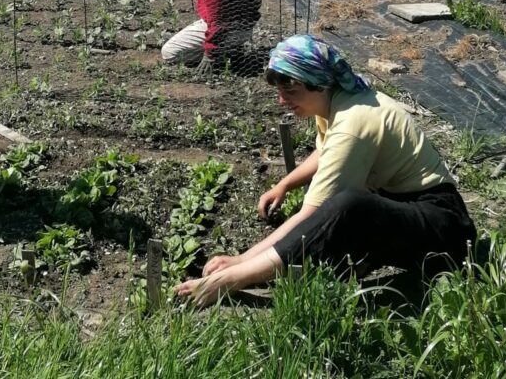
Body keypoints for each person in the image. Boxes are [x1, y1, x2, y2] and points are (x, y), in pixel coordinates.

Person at [175, 34, 476, 307]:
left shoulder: (354, 122)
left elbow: (312, 215)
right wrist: (285, 185)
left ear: (317, 82)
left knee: (347, 206)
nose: (282, 100)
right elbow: (325, 150)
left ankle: (232, 281)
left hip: (446, 230)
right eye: (278, 89)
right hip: (404, 206)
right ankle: (296, 265)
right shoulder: (340, 101)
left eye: (290, 88)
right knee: (334, 226)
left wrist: (238, 265)